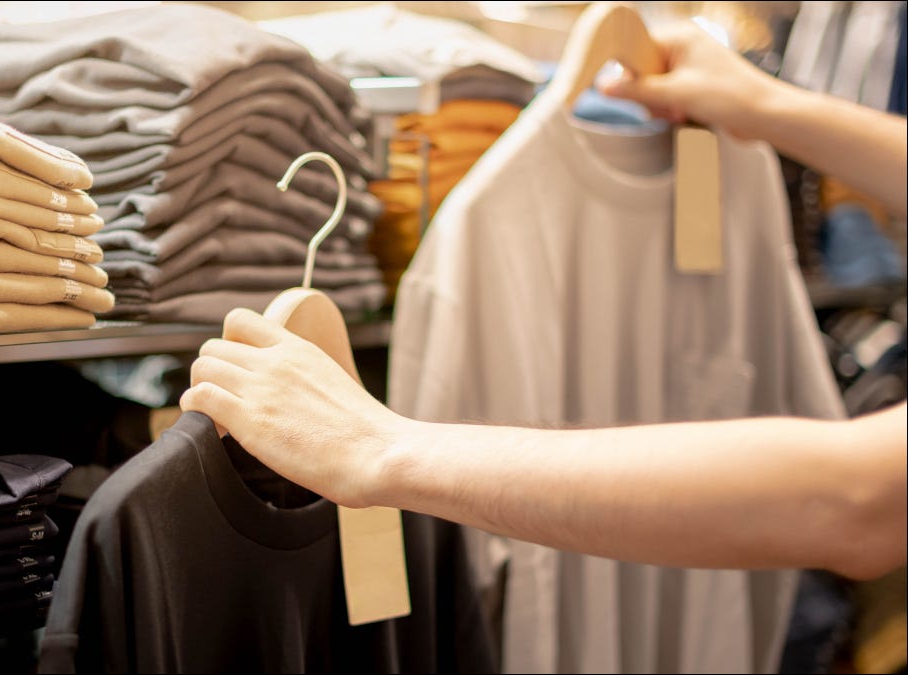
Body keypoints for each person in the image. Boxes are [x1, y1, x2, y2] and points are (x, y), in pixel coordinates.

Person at [180, 19, 908, 582]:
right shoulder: (490, 218)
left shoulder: (736, 186)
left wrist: (384, 448)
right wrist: (768, 105)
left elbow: (859, 499)